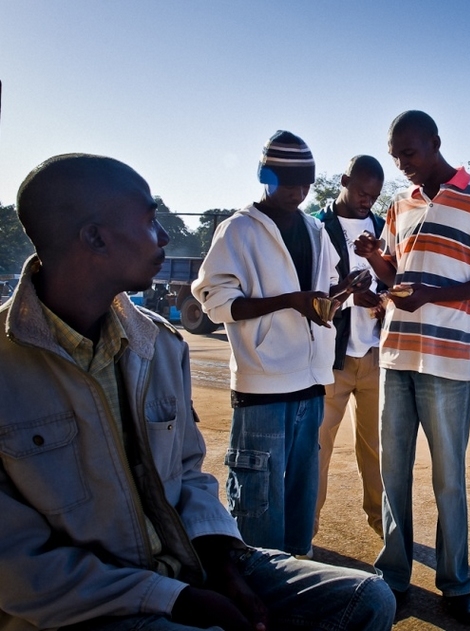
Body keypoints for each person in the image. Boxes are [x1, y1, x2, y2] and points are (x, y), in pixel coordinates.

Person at [0, 153, 395, 631]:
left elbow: (188, 474)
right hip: (91, 605)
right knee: (261, 508)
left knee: (368, 598)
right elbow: (18, 570)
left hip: (198, 549)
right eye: (149, 221)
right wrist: (175, 599)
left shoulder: (159, 346)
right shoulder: (10, 365)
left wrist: (222, 563)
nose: (164, 236)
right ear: (94, 236)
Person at [354, 110, 470, 624]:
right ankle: (393, 576)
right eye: (397, 156)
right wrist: (377, 261)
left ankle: (456, 584)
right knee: (392, 472)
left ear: (436, 143)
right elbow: (398, 278)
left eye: (410, 153)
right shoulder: (400, 204)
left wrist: (434, 295)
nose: (403, 165)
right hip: (397, 350)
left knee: (449, 479)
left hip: (448, 360)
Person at [192, 131, 361, 557]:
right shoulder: (239, 230)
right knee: (257, 500)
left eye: (306, 183)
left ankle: (296, 571)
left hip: (312, 382)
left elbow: (323, 294)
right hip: (262, 388)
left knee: (300, 495)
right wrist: (288, 301)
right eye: (288, 182)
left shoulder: (315, 230)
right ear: (264, 176)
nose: (298, 192)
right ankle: (257, 586)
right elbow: (216, 304)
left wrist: (343, 293)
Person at [311, 155, 387, 538]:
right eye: (361, 192)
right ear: (343, 181)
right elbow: (308, 293)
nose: (366, 201)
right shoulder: (316, 226)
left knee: (377, 451)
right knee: (317, 449)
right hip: (332, 358)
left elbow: (391, 278)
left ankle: (383, 527)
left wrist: (381, 298)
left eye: (374, 196)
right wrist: (347, 298)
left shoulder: (381, 225)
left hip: (374, 355)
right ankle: (305, 533)